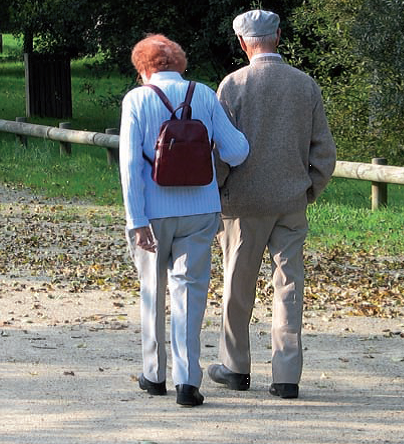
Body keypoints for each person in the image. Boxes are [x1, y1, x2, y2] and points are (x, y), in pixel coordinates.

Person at [207, 10, 337, 399]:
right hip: (290, 202)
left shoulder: (232, 85)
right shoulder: (305, 85)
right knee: (289, 288)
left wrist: (217, 194)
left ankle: (235, 366)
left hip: (243, 206)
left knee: (237, 286)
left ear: (243, 42)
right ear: (278, 36)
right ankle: (286, 376)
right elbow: (324, 152)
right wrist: (307, 191)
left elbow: (219, 152)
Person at [119, 34, 249, 407]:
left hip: (152, 215)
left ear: (142, 68)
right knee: (189, 293)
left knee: (152, 290)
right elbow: (237, 152)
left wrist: (136, 219)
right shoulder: (204, 95)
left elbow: (129, 166)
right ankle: (188, 381)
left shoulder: (137, 100)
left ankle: (154, 374)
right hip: (200, 209)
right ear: (179, 64)